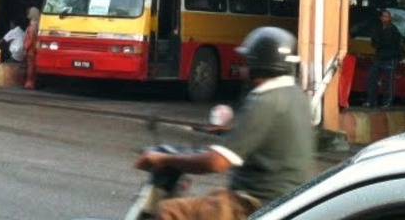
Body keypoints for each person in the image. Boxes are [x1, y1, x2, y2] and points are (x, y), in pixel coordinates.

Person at [134, 26, 314, 220]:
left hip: (253, 204)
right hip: (285, 201)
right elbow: (267, 137)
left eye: (246, 63)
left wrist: (162, 159)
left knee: (168, 210)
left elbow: (216, 162)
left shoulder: (265, 100)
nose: (242, 69)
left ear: (258, 64)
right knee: (213, 197)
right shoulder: (296, 96)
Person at [365, 9, 405, 108]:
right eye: (384, 16)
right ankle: (371, 101)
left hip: (390, 58)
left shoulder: (393, 29)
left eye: (387, 17)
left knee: (389, 82)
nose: (385, 18)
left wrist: (380, 43)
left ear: (390, 18)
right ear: (381, 18)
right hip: (379, 57)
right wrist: (380, 44)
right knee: (371, 79)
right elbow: (374, 42)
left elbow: (391, 43)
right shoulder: (377, 29)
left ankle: (387, 102)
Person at [23, 7, 41, 89]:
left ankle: (29, 83)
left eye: (29, 12)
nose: (28, 15)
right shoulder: (39, 24)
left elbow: (29, 38)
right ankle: (32, 82)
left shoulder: (32, 25)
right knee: (34, 67)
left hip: (31, 49)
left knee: (30, 66)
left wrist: (25, 48)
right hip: (36, 48)